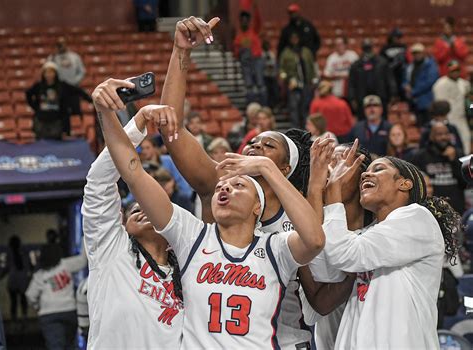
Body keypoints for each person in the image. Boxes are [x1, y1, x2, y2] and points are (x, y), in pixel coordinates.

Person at [91, 76, 325, 348]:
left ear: (257, 207)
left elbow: (315, 240)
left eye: (238, 185)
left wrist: (266, 168)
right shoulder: (191, 235)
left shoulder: (276, 247)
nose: (224, 188)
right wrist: (106, 113)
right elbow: (132, 172)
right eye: (221, 187)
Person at [155, 16, 321, 348]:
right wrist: (180, 53)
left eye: (267, 145)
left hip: (286, 341)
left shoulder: (301, 213)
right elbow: (170, 129)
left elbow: (320, 274)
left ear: (285, 167)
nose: (254, 146)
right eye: (252, 143)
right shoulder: (220, 184)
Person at [321, 144, 461, 349]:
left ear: (405, 184)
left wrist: (333, 191)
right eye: (365, 173)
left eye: (378, 169)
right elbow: (329, 262)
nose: (366, 175)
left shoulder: (417, 219)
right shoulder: (367, 235)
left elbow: (346, 254)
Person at [81, 113, 184, 348]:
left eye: (151, 206)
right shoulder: (111, 252)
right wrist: (138, 124)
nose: (140, 208)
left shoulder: (188, 271)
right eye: (134, 208)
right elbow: (99, 183)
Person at [300, 141, 373, 350]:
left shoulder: (380, 233)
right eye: (327, 163)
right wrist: (315, 187)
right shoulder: (302, 234)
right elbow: (320, 303)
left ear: (365, 178)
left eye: (342, 162)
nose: (332, 169)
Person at [25, 244, 87, 349]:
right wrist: (85, 238)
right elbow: (83, 261)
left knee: (55, 346)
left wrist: (37, 306)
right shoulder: (65, 264)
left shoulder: (39, 275)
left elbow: (30, 295)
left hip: (49, 315)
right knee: (70, 346)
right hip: (69, 311)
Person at [409, 121, 466, 214]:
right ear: (432, 136)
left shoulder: (459, 154)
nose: (443, 137)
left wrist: (453, 160)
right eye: (439, 134)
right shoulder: (421, 156)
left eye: (446, 134)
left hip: (456, 208)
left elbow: (465, 183)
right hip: (430, 208)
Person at [26, 62, 92, 140]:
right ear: (43, 74)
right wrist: (35, 107)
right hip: (41, 121)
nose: (49, 74)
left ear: (55, 73)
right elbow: (28, 94)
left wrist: (91, 100)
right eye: (47, 72)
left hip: (57, 122)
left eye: (51, 72)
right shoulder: (38, 86)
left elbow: (78, 91)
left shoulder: (62, 85)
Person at [348, 38, 397, 119]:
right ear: (362, 49)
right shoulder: (356, 65)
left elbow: (389, 79)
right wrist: (352, 98)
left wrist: (393, 94)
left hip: (380, 96)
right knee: (363, 122)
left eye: (368, 48)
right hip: (362, 98)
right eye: (365, 48)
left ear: (372, 48)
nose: (367, 51)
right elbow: (351, 83)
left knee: (382, 121)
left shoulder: (382, 62)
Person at [433, 60, 471, 154]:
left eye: (457, 70)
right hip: (447, 119)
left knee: (466, 144)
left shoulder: (464, 84)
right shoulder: (440, 84)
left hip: (461, 119)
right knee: (449, 145)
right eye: (453, 70)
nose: (455, 72)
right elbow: (439, 106)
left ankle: (463, 168)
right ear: (448, 71)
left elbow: (469, 101)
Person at [279, 31, 315, 128]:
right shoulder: (286, 53)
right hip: (293, 85)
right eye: (292, 38)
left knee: (305, 108)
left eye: (296, 38)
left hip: (306, 84)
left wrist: (313, 79)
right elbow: (281, 70)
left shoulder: (306, 51)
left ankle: (306, 129)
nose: (294, 40)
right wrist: (287, 79)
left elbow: (312, 66)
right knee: (294, 108)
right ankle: (295, 129)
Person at [233, 10, 267, 105]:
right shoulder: (238, 36)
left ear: (249, 21)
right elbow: (236, 52)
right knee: (249, 85)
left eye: (246, 20)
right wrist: (242, 50)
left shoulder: (254, 30)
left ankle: (264, 106)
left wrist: (255, 7)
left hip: (257, 60)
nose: (244, 22)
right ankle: (251, 107)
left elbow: (258, 20)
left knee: (260, 84)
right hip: (246, 63)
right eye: (242, 20)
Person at [403, 43, 439, 126]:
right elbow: (404, 79)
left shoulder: (430, 65)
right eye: (415, 53)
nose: (417, 55)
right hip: (413, 101)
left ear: (423, 53)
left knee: (428, 124)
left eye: (419, 53)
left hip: (426, 100)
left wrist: (413, 91)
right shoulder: (410, 66)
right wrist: (405, 86)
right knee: (418, 125)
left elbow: (430, 81)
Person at [0, 236, 30, 320]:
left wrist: (0, 276)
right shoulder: (24, 252)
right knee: (23, 300)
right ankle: (24, 318)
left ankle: (15, 319)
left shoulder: (10, 254)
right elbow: (28, 266)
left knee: (14, 302)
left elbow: (6, 268)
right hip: (22, 280)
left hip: (13, 280)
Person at [380, 28, 407, 99]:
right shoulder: (385, 48)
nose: (398, 39)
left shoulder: (404, 47)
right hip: (390, 74)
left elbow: (408, 60)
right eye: (396, 37)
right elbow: (381, 62)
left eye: (399, 37)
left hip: (402, 74)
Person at [262, 39, 279, 108]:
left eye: (267, 45)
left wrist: (269, 65)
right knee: (267, 92)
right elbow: (262, 65)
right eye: (265, 45)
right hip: (265, 76)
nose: (266, 47)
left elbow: (274, 64)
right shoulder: (261, 54)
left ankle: (274, 105)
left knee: (274, 91)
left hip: (272, 75)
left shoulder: (271, 54)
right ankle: (267, 105)